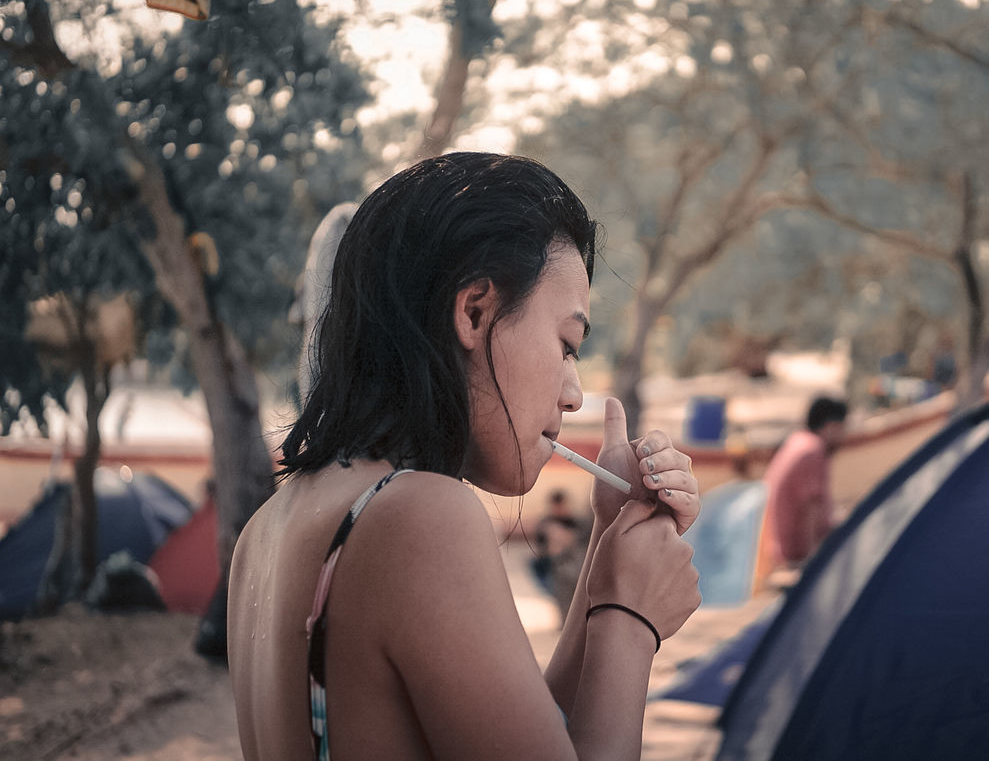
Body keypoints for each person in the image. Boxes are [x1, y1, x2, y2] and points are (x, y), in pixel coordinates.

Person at [227, 153, 702, 761]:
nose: (573, 393)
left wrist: (609, 546)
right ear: (474, 312)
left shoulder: (264, 532)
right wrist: (630, 620)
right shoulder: (420, 516)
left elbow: (533, 738)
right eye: (567, 344)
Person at [762, 396, 848, 568]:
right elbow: (810, 511)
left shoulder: (797, 441)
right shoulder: (813, 450)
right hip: (792, 555)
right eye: (842, 429)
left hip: (774, 548)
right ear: (832, 426)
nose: (844, 436)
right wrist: (813, 565)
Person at [530, 489, 589, 625]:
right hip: (558, 570)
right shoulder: (545, 524)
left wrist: (564, 537)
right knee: (565, 608)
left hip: (578, 569)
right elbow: (541, 551)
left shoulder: (578, 522)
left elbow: (583, 543)